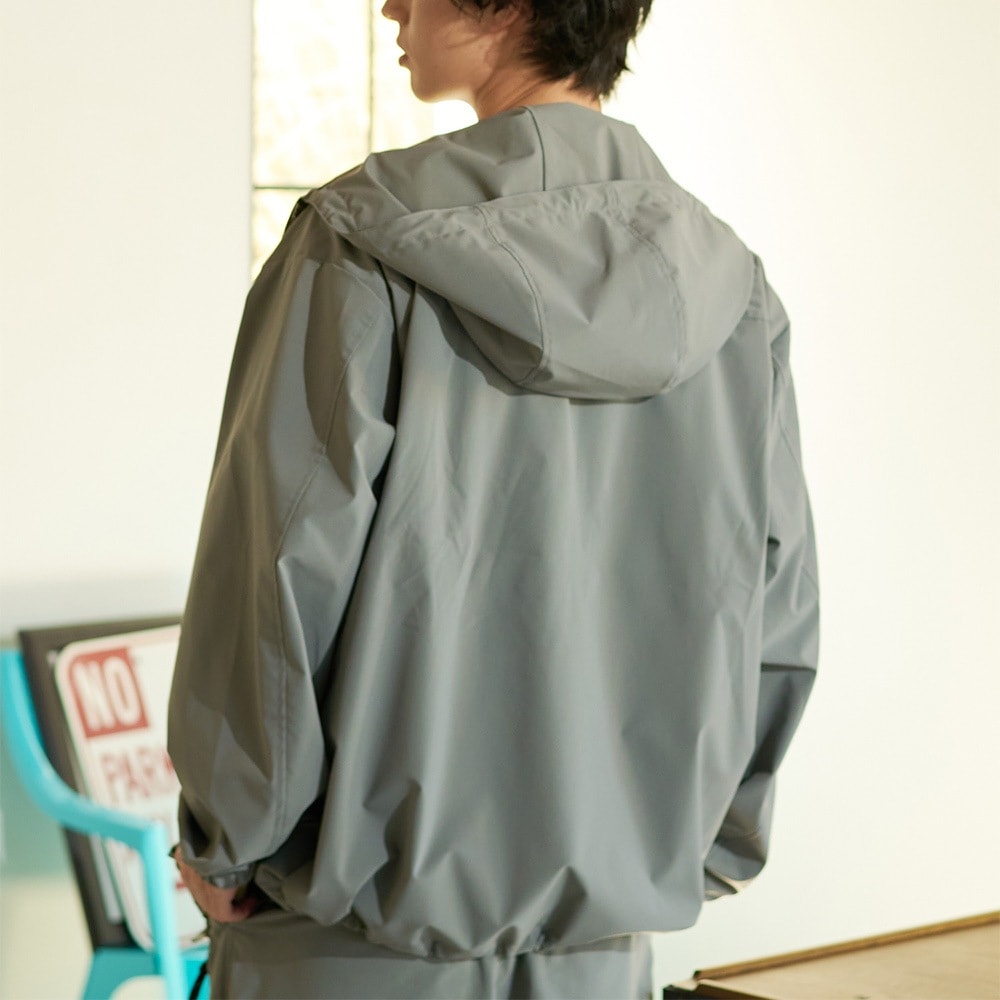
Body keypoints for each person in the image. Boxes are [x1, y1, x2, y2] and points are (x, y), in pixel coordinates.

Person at [168, 0, 820, 997]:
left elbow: (276, 577)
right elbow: (776, 608)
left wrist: (226, 841)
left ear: (508, 6)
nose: (391, 5)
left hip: (349, 947)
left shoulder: (358, 247)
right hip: (601, 953)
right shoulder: (733, 291)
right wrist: (704, 846)